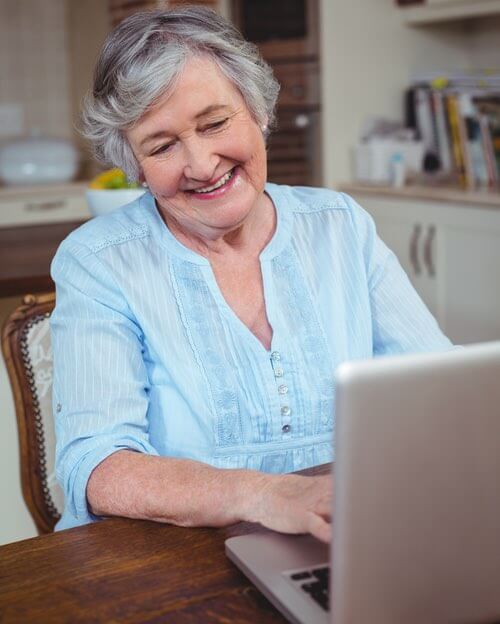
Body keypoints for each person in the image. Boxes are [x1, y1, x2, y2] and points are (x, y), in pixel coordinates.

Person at [50, 6, 452, 540]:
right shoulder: (98, 262)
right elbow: (96, 467)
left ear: (258, 111)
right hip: (163, 563)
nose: (200, 163)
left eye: (215, 123)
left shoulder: (340, 226)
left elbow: (440, 390)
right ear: (135, 165)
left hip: (336, 539)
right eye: (163, 145)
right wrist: (264, 494)